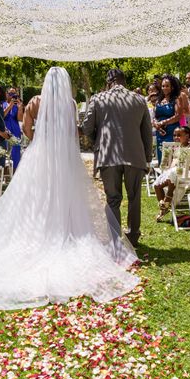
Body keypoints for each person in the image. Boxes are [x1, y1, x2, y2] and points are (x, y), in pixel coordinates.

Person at [0, 67, 139, 309]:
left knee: (38, 197)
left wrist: (41, 140)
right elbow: (72, 134)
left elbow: (27, 130)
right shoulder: (71, 104)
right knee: (66, 196)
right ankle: (67, 232)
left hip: (41, 156)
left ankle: (42, 231)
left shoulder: (34, 102)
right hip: (65, 158)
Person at [81, 68, 153, 247]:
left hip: (108, 154)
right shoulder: (139, 99)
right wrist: (148, 158)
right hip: (135, 155)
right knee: (134, 197)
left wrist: (99, 140)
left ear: (108, 82)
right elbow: (147, 133)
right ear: (124, 81)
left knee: (113, 199)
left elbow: (87, 127)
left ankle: (115, 239)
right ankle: (133, 236)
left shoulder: (99, 98)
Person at [153, 126, 190, 221]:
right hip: (174, 172)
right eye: (174, 135)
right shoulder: (177, 147)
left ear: (187, 136)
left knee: (173, 175)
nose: (176, 137)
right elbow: (173, 162)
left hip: (185, 173)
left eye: (179, 135)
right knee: (157, 185)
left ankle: (166, 202)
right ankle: (164, 206)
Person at [153, 74, 181, 163]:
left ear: (172, 87)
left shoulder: (176, 99)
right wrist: (156, 124)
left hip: (172, 133)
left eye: (167, 86)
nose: (164, 88)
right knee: (162, 160)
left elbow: (178, 116)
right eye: (163, 86)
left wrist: (163, 122)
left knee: (171, 159)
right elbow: (154, 117)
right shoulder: (158, 100)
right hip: (160, 133)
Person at [3, 86, 24, 170]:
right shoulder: (2, 104)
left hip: (15, 130)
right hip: (5, 130)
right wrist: (10, 106)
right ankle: (4, 172)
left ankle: (16, 172)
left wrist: (19, 109)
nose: (12, 96)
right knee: (5, 152)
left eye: (14, 94)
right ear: (6, 94)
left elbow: (20, 119)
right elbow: (2, 116)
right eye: (11, 93)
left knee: (16, 153)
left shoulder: (17, 105)